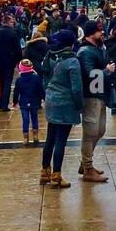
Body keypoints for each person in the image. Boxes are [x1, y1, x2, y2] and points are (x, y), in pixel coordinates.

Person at [41, 29, 82, 188]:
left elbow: (45, 76)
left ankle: (45, 172)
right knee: (61, 141)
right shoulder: (72, 61)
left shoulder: (51, 56)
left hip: (51, 100)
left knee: (50, 138)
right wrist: (79, 105)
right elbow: (76, 88)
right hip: (65, 103)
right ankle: (56, 176)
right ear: (71, 44)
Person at [76, 20, 112, 182]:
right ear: (91, 34)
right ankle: (88, 168)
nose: (102, 33)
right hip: (91, 96)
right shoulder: (85, 52)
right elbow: (90, 74)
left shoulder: (98, 48)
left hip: (100, 94)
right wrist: (107, 71)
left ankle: (86, 162)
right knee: (90, 132)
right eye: (99, 31)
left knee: (100, 130)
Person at [0, 14, 23, 112]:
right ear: (8, 22)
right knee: (7, 83)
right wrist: (18, 61)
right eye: (12, 22)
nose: (14, 24)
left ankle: (0, 103)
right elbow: (18, 49)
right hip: (9, 62)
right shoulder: (13, 33)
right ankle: (4, 104)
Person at [12, 58, 45, 147]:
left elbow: (16, 92)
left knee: (25, 120)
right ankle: (35, 135)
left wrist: (14, 102)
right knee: (34, 118)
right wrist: (44, 98)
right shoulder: (37, 78)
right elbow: (41, 90)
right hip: (34, 101)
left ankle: (25, 138)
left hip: (23, 102)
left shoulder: (19, 80)